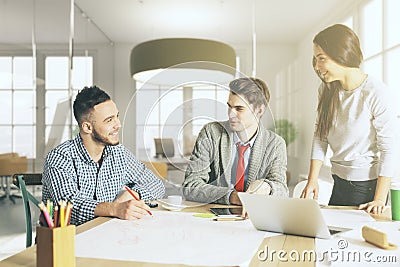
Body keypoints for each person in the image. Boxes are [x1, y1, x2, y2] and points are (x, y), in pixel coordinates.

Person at [301, 24, 397, 214]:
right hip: (339, 181)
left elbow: (390, 149)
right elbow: (321, 136)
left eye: (321, 59)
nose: (317, 66)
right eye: (315, 59)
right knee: (332, 237)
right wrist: (313, 180)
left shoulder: (375, 92)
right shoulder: (327, 90)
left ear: (341, 55)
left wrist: (379, 199)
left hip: (366, 187)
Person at [42, 86, 165, 225]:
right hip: (67, 239)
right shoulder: (60, 157)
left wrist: (133, 194)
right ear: (87, 127)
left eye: (117, 116)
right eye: (109, 120)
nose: (118, 125)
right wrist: (115, 208)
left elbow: (156, 184)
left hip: (106, 232)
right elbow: (70, 207)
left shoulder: (118, 153)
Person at [183, 77, 288, 205]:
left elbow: (282, 190)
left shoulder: (275, 144)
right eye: (229, 106)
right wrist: (232, 197)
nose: (231, 114)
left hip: (255, 218)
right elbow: (190, 185)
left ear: (260, 110)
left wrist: (267, 187)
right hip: (213, 216)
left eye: (239, 109)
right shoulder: (211, 133)